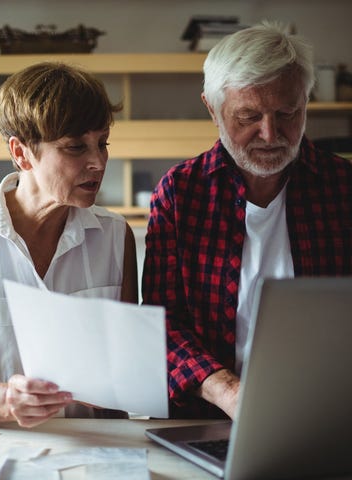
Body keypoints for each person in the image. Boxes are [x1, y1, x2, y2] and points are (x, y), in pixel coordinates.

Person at [142, 21, 352, 420]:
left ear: (306, 101)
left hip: (326, 412)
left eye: (288, 113)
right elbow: (160, 324)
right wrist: (231, 393)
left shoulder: (343, 189)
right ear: (212, 108)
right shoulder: (181, 193)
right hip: (205, 415)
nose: (271, 134)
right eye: (248, 116)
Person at [0, 62, 138, 427]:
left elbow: (122, 383)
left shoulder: (115, 237)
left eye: (102, 143)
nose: (98, 162)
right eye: (75, 147)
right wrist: (4, 400)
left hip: (92, 452)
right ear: (21, 153)